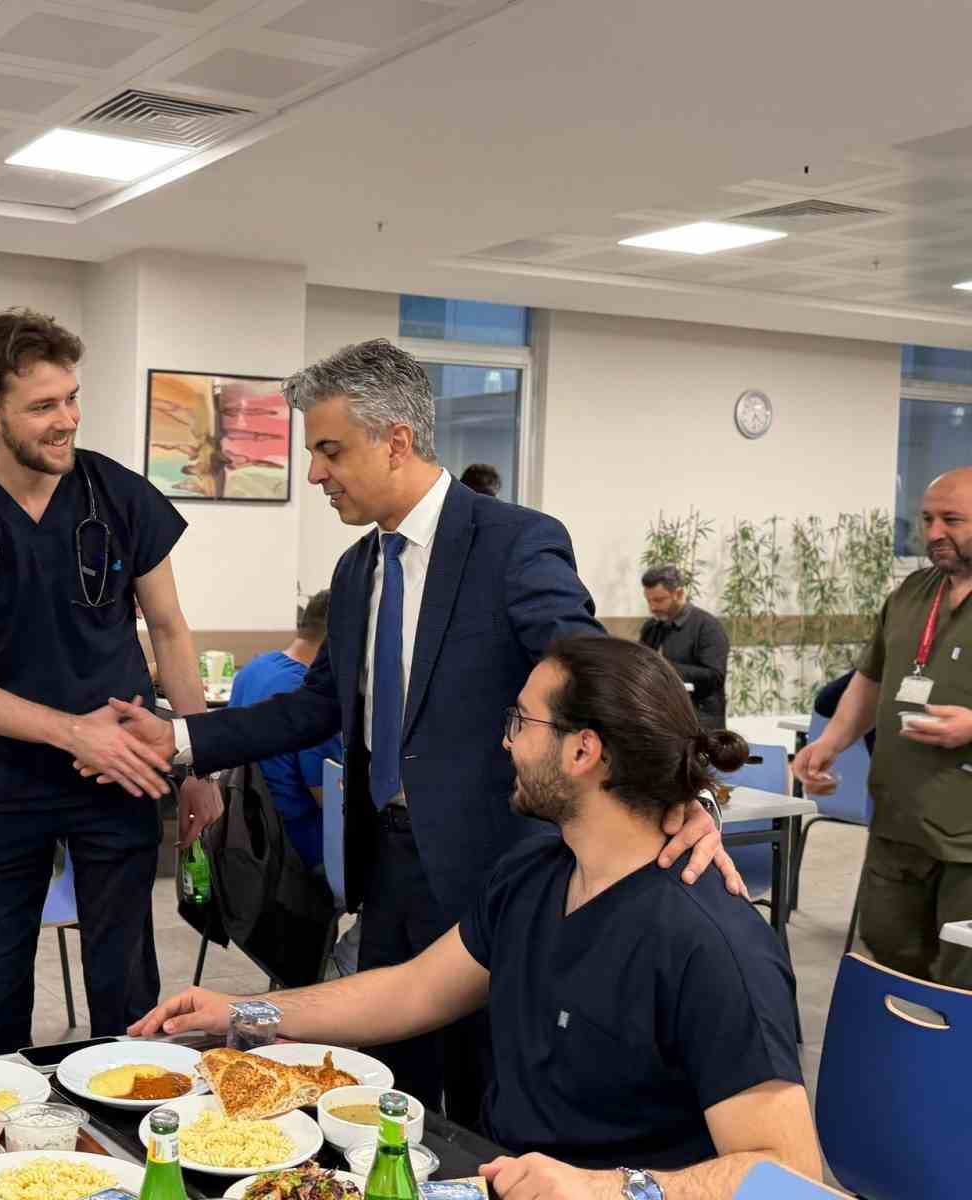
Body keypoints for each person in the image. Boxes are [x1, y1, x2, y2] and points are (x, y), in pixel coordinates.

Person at [101, 339, 735, 1123]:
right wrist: (183, 740)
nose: (315, 473)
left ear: (396, 441)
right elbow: (320, 706)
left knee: (484, 1100)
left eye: (330, 450)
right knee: (382, 1091)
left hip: (493, 868)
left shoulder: (512, 543)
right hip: (388, 864)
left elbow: (593, 671)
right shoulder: (359, 570)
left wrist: (683, 793)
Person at [133, 636, 821, 1199]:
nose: (507, 742)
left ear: (583, 751)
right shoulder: (533, 875)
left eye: (522, 722)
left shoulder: (710, 944)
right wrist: (244, 1015)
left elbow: (790, 1177)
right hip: (491, 1171)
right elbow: (411, 991)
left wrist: (611, 1188)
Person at [0, 307, 219, 1056]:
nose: (66, 420)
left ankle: (128, 1141)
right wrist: (73, 731)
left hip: (122, 779)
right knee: (2, 987)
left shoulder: (120, 496)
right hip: (3, 783)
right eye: (43, 406)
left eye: (72, 398)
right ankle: (4, 1163)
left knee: (125, 987)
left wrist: (200, 762)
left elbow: (169, 630)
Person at [794, 466, 972, 988]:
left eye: (952, 519)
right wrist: (829, 742)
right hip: (900, 825)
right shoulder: (913, 593)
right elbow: (871, 680)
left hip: (967, 843)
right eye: (928, 519)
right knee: (892, 965)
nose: (934, 532)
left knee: (961, 987)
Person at [227, 589, 342, 870]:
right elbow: (331, 800)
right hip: (298, 854)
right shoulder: (313, 699)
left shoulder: (254, 668)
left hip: (245, 838)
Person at [639, 564, 730, 729]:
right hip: (663, 720)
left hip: (701, 723)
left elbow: (715, 676)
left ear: (679, 594)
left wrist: (665, 668)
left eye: (659, 600)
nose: (652, 607)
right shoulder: (651, 628)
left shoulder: (707, 627)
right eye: (649, 600)